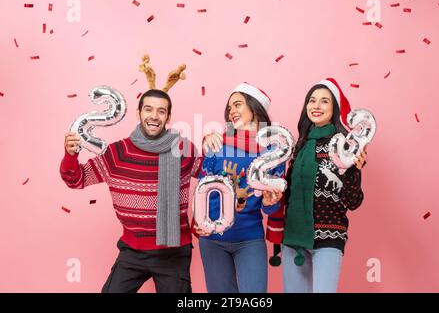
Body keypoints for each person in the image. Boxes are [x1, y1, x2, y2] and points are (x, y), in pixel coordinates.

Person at [60, 55, 200, 293]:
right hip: (133, 251)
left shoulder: (182, 150)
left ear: (168, 117)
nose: (154, 116)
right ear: (138, 113)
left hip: (173, 253)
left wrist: (221, 144)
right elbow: (76, 179)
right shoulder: (118, 152)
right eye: (148, 109)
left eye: (161, 111)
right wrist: (70, 155)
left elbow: (213, 174)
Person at [194, 82, 284, 293]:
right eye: (229, 108)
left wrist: (271, 202)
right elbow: (201, 189)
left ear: (254, 108)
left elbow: (269, 208)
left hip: (250, 238)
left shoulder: (273, 152)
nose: (232, 111)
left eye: (237, 105)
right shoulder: (217, 144)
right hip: (212, 239)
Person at [280, 78, 368, 293]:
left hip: (329, 236)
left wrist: (353, 171)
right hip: (293, 238)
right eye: (312, 100)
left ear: (334, 108)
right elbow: (288, 195)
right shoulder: (298, 146)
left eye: (324, 101)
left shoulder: (345, 145)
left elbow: (354, 202)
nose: (316, 106)